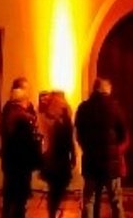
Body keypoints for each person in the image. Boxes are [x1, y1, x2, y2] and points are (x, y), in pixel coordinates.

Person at [74, 77, 128, 218]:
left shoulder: (83, 108)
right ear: (107, 89)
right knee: (116, 201)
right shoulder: (115, 107)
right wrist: (116, 150)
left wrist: (87, 148)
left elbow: (79, 134)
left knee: (90, 200)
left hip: (91, 162)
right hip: (111, 164)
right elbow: (123, 133)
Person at [0, 76, 41, 218]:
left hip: (15, 161)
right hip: (18, 161)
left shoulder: (13, 110)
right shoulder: (17, 114)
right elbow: (22, 139)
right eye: (26, 89)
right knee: (16, 199)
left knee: (13, 199)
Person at [37, 89, 76, 218]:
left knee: (55, 188)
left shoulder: (50, 117)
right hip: (59, 159)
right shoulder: (61, 119)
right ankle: (53, 211)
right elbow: (69, 140)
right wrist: (73, 156)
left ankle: (52, 211)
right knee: (57, 188)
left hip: (52, 158)